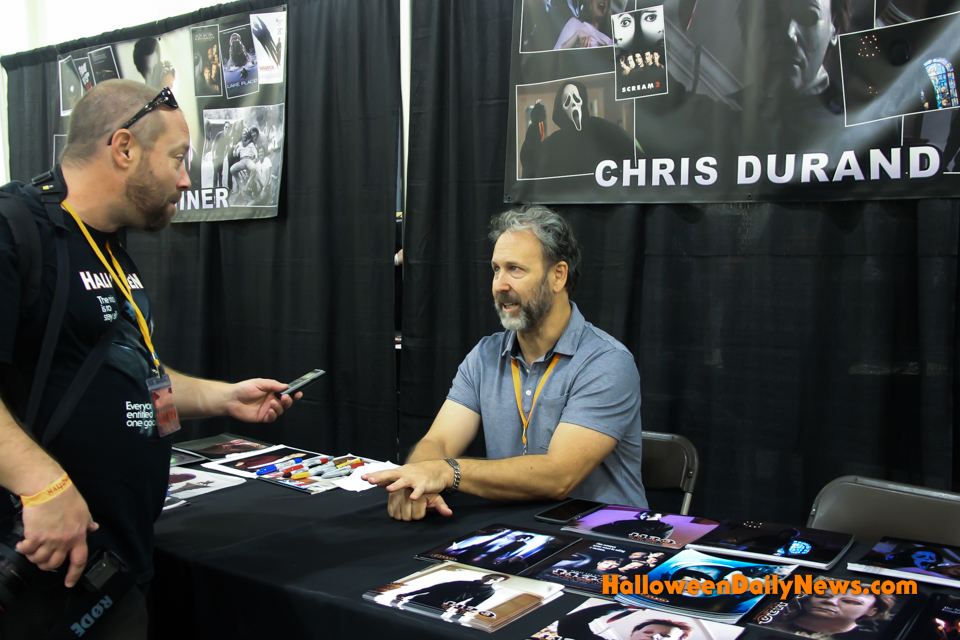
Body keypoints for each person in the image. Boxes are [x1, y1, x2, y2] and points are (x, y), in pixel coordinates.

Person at [0, 79, 302, 638]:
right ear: (123, 148)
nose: (186, 179)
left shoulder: (112, 251)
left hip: (116, 561)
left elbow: (133, 371)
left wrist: (224, 397)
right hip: (37, 569)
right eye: (178, 158)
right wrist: (43, 484)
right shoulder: (15, 229)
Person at [363, 205, 645, 520]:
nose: (499, 284)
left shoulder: (606, 362)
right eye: (496, 269)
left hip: (602, 532)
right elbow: (438, 440)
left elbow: (559, 475)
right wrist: (414, 480)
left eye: (515, 269)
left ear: (558, 276)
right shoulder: (485, 355)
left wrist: (445, 472)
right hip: (516, 526)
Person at [768, 581, 896, 639]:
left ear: (872, 611)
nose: (831, 601)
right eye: (823, 596)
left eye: (849, 601)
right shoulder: (772, 616)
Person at [393, 574, 507, 610]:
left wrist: (457, 611)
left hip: (439, 607)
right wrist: (407, 594)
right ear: (485, 576)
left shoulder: (489, 591)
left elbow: (473, 604)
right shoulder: (462, 582)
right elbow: (433, 588)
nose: (491, 580)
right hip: (423, 599)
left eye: (495, 580)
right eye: (490, 577)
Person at [591, 511, 674, 540]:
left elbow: (657, 541)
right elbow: (597, 531)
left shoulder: (666, 526)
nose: (647, 515)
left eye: (651, 514)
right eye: (646, 513)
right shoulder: (623, 522)